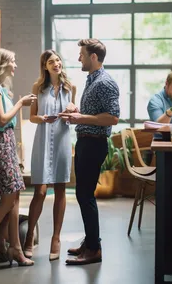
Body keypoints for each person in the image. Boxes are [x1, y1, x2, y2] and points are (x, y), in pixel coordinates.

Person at [59, 38, 120, 265]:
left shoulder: (104, 82)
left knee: (85, 195)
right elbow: (96, 113)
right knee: (83, 195)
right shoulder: (93, 80)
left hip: (94, 144)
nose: (79, 58)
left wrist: (81, 117)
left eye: (82, 55)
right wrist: (78, 110)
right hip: (86, 141)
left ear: (94, 57)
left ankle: (93, 249)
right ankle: (91, 241)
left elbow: (113, 117)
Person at [0, 48, 36, 267]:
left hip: (7, 143)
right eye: (13, 61)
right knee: (7, 199)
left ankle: (12, 247)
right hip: (1, 143)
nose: (15, 65)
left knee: (15, 196)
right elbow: (2, 120)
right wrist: (20, 104)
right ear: (3, 64)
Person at [23, 50, 76, 261]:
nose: (57, 63)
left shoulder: (70, 87)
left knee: (61, 188)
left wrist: (72, 110)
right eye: (52, 61)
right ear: (45, 66)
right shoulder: (38, 88)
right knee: (41, 192)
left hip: (63, 139)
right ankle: (28, 238)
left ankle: (56, 238)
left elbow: (74, 115)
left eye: (58, 60)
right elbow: (33, 117)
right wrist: (43, 118)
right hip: (43, 140)